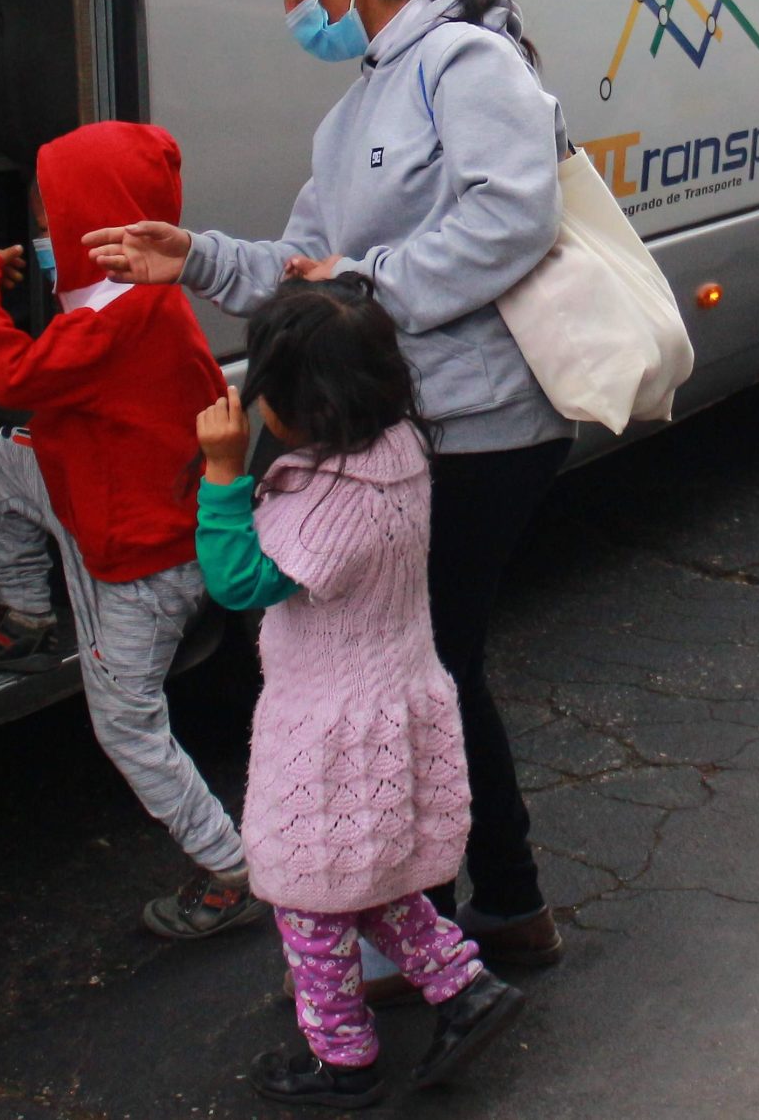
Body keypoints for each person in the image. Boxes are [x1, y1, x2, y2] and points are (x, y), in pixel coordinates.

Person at [84, 0, 572, 974]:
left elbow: (511, 219)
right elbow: (301, 268)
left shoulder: (466, 62)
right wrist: (191, 255)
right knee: (424, 667)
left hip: (484, 425)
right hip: (405, 430)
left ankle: (461, 916)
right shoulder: (359, 100)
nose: (289, 5)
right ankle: (485, 906)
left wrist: (364, 282)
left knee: (428, 666)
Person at [192, 279, 527, 1106]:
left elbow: (239, 581)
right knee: (368, 880)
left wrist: (223, 474)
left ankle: (342, 1059)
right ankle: (463, 986)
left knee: (307, 896)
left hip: (332, 728)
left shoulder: (328, 503)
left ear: (298, 406)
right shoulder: (398, 454)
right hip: (391, 699)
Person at [0, 122, 264, 942]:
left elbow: (12, 375)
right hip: (104, 494)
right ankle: (28, 617)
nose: (43, 234)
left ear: (98, 224)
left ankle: (230, 867)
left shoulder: (113, 321)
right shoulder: (136, 300)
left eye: (53, 217)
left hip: (137, 559)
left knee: (127, 724)